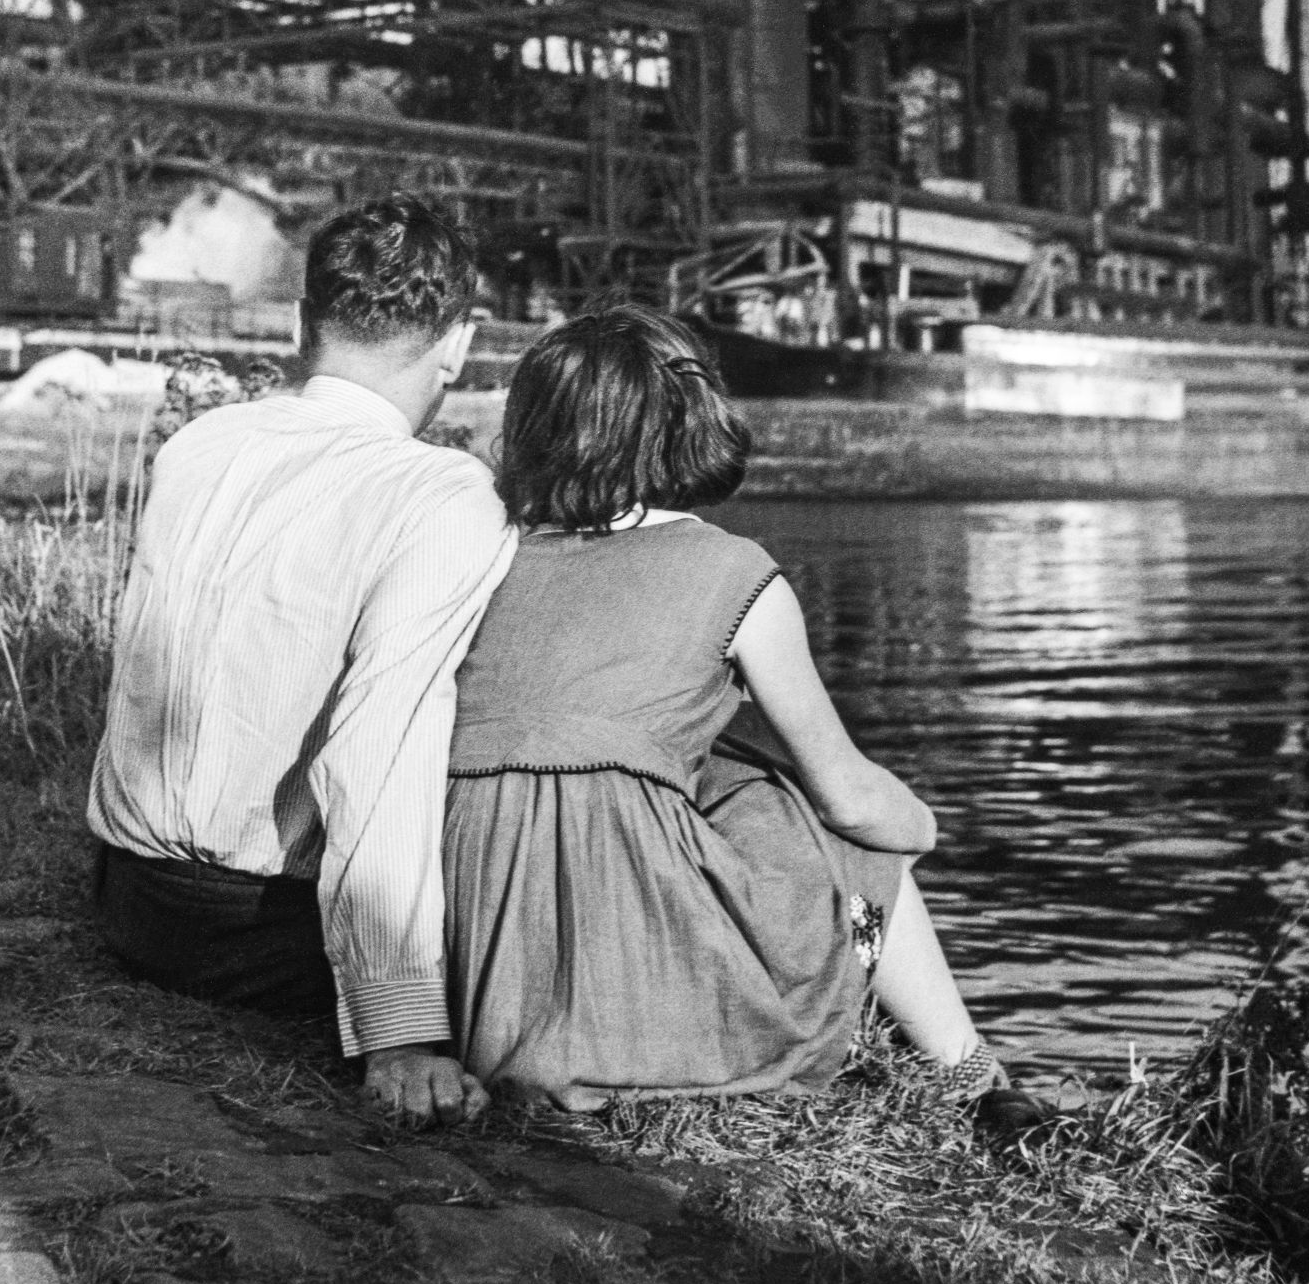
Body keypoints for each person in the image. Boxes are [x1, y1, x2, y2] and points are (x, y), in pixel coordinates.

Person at [443, 303, 1023, 1113]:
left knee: (731, 772)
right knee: (843, 836)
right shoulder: (735, 572)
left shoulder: (483, 556)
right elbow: (847, 794)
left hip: (469, 958)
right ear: (686, 419)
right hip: (617, 969)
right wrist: (922, 829)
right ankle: (974, 1079)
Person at [87, 194, 514, 1127]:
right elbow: (378, 750)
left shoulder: (202, 445)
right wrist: (400, 1034)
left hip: (133, 905)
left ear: (298, 322)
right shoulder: (440, 493)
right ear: (458, 343)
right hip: (263, 934)